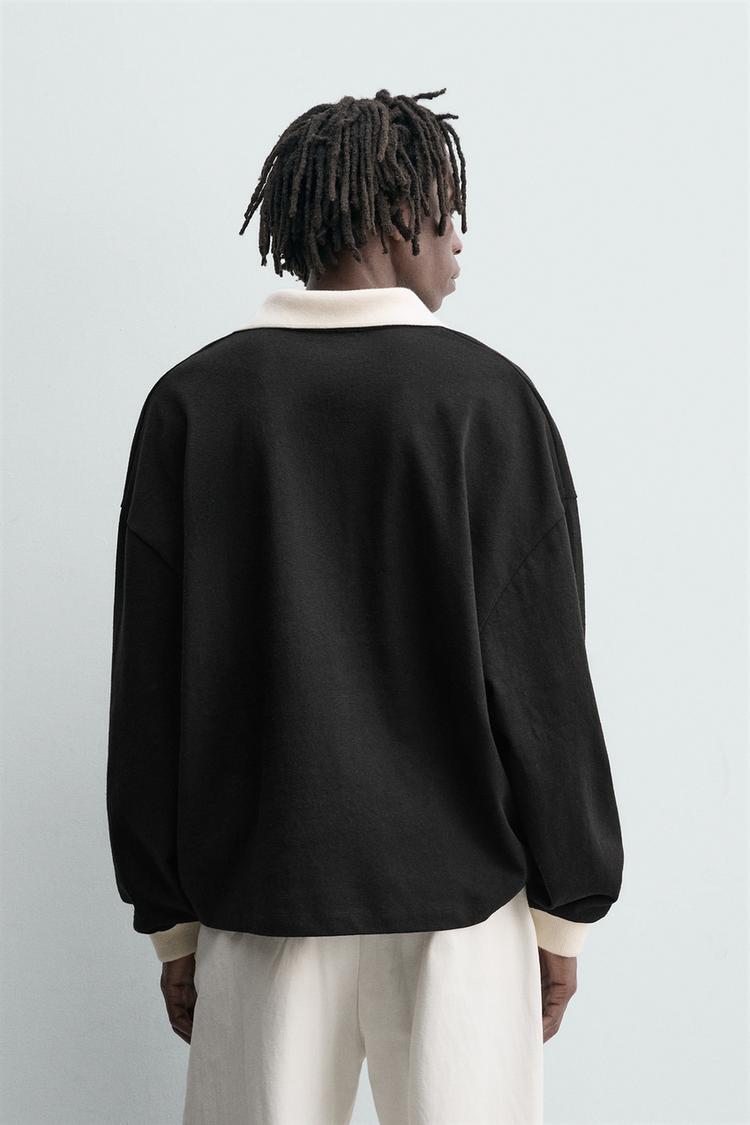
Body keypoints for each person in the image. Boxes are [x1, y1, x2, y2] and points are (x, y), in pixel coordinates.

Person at [106, 86, 624, 1125]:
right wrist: (567, 906)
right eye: (446, 210)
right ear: (394, 219)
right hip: (460, 916)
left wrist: (171, 922)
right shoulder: (485, 399)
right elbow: (542, 676)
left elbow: (150, 687)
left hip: (259, 905)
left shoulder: (194, 404)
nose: (458, 241)